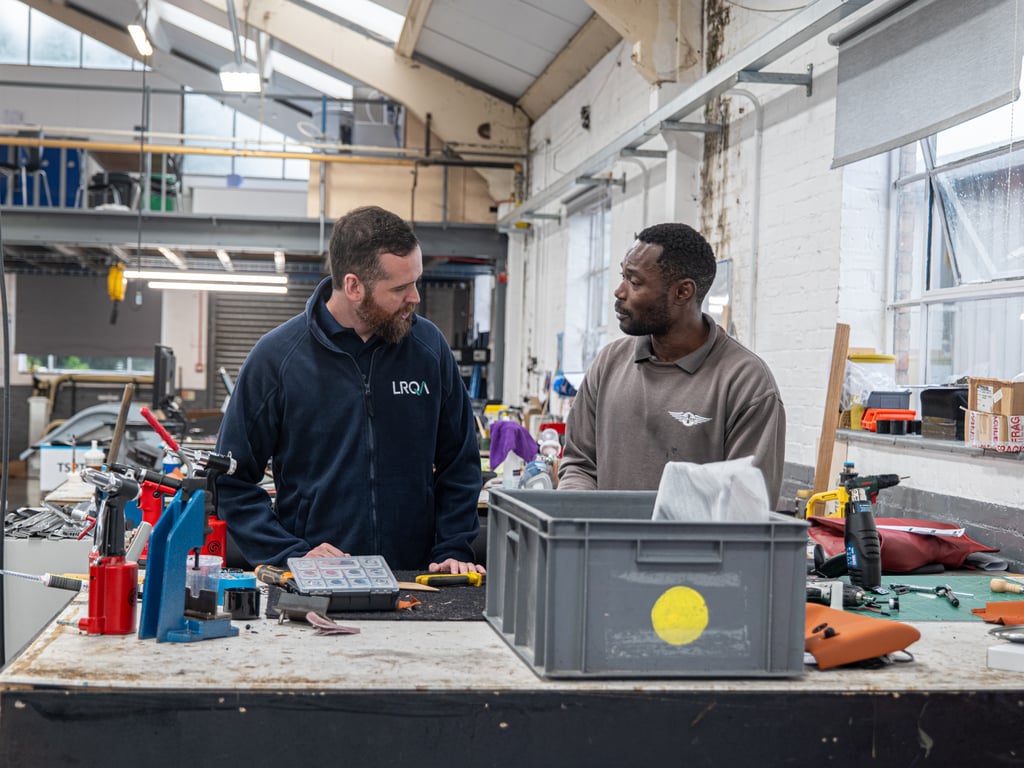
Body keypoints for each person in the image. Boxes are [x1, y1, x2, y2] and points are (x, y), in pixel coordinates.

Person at [215, 205, 485, 574]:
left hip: (416, 578)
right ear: (354, 286)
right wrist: (289, 554)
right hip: (314, 582)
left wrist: (453, 547)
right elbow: (230, 479)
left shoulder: (428, 349)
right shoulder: (277, 358)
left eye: (416, 281)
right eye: (400, 288)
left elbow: (460, 461)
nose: (416, 297)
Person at [557, 222, 786, 504]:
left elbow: (746, 503)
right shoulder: (608, 364)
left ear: (682, 292)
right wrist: (583, 516)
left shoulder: (746, 382)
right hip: (602, 534)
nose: (619, 292)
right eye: (622, 276)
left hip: (693, 536)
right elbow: (579, 464)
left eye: (634, 282)